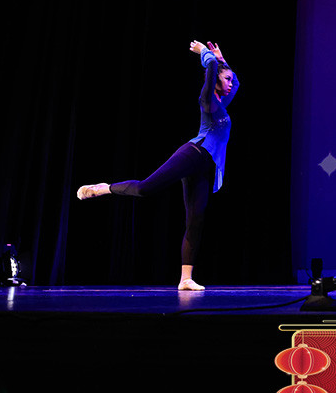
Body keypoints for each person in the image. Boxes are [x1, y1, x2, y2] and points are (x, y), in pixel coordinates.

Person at [76, 40, 238, 291]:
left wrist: (223, 61)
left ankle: (185, 279)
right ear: (216, 79)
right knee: (145, 189)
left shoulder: (222, 103)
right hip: (194, 154)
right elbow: (210, 71)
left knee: (196, 220)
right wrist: (208, 56)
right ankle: (104, 188)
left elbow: (236, 84)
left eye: (230, 79)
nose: (230, 83)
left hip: (206, 167)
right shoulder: (208, 100)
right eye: (226, 79)